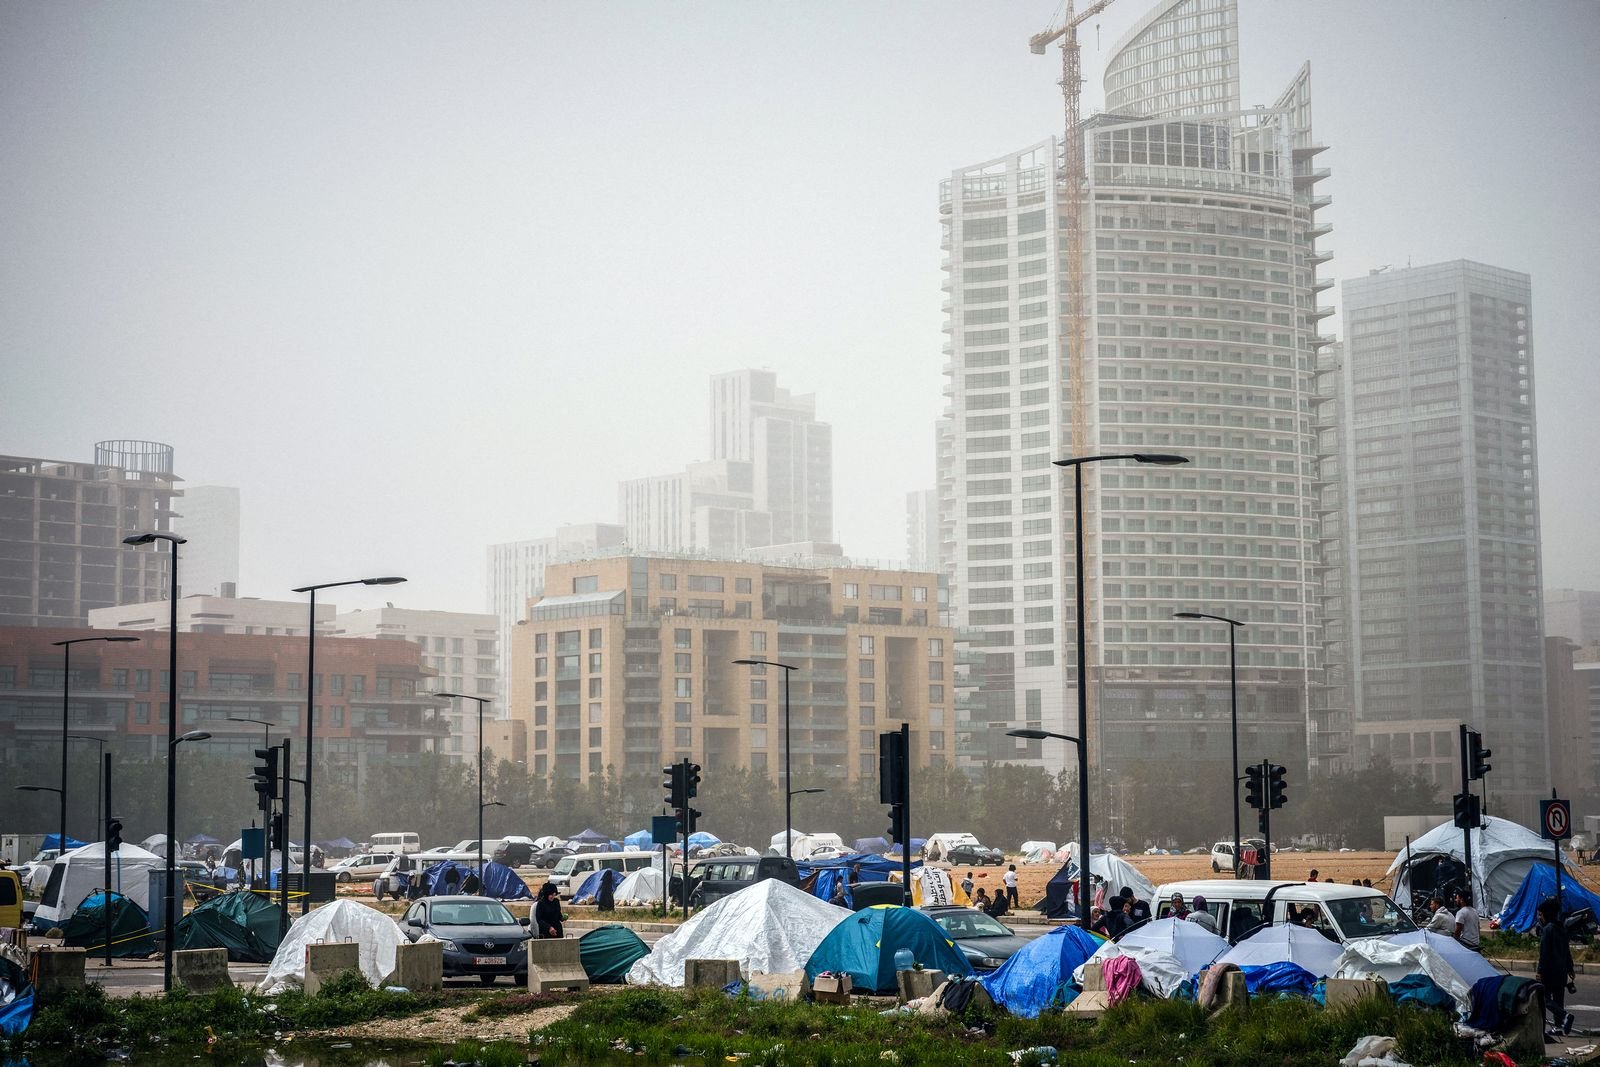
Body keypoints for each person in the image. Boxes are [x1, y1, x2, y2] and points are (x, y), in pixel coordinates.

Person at [1536, 898, 1576, 1036]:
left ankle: (1564, 1016)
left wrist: (1540, 971)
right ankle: (1558, 1027)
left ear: (1546, 914)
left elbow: (1544, 954)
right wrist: (1570, 968)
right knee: (1559, 999)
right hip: (1562, 971)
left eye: (1541, 915)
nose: (1540, 918)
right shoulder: (1561, 928)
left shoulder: (1548, 930)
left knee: (1544, 998)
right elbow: (1567, 950)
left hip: (1549, 971)